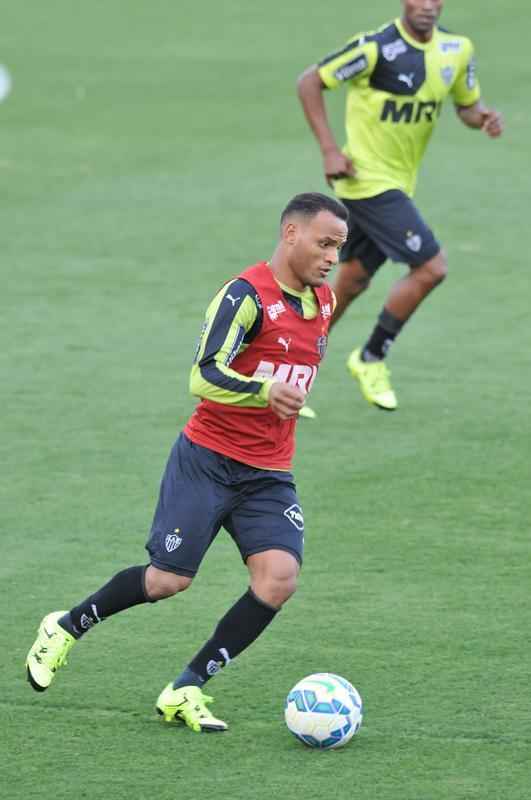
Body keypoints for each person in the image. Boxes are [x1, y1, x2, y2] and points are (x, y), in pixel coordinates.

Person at [25, 192, 348, 733]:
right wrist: (262, 390)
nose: (332, 256)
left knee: (279, 578)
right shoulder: (244, 296)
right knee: (166, 581)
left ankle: (187, 687)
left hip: (268, 472)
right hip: (207, 461)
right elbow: (202, 375)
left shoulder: (325, 303)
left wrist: (281, 393)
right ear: (291, 234)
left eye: (339, 246)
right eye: (324, 242)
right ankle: (65, 626)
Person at [297, 0, 503, 411]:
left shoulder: (456, 50)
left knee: (351, 281)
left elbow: (465, 105)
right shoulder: (374, 49)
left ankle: (290, 364)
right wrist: (328, 151)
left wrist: (482, 118)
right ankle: (371, 357)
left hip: (398, 185)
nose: (427, 6)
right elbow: (309, 82)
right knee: (431, 267)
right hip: (366, 182)